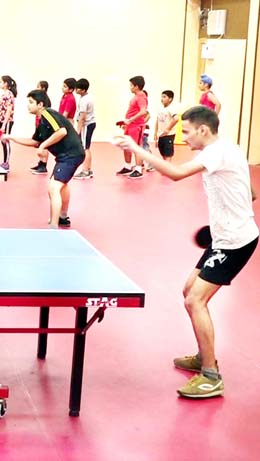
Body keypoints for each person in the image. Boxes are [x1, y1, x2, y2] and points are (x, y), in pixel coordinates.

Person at [112, 106, 257, 399]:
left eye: (187, 131)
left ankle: (211, 376)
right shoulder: (229, 148)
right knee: (188, 291)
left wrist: (136, 149)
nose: (184, 136)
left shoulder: (215, 153)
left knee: (195, 300)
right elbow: (252, 191)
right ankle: (204, 355)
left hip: (235, 241)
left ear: (204, 130)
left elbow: (176, 174)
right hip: (222, 237)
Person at [3, 89, 85, 228]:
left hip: (71, 155)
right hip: (66, 156)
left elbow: (61, 131)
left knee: (53, 188)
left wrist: (44, 146)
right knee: (61, 185)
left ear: (40, 104)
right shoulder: (41, 122)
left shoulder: (48, 114)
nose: (28, 105)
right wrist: (11, 138)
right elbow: (35, 142)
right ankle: (63, 217)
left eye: (30, 102)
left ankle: (53, 226)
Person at [116, 75, 148, 178]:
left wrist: (131, 119)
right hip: (130, 126)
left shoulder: (141, 96)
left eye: (131, 85)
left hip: (137, 126)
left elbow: (143, 111)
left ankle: (138, 169)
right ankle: (127, 167)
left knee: (136, 147)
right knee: (126, 146)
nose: (130, 87)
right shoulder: (135, 97)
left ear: (136, 86)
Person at [73, 78, 96, 179]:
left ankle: (85, 171)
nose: (76, 89)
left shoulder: (84, 100)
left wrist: (77, 131)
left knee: (85, 148)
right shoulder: (86, 98)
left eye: (78, 88)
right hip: (89, 124)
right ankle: (88, 170)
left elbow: (82, 118)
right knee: (86, 147)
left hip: (86, 125)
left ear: (83, 90)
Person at [29, 80, 53, 173]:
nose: (37, 88)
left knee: (44, 144)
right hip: (39, 124)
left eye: (38, 87)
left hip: (44, 125)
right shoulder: (39, 98)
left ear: (43, 88)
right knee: (39, 143)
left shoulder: (45, 100)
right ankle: (41, 163)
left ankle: (43, 165)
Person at [0, 76, 16, 169]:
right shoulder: (4, 94)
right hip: (2, 121)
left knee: (6, 141)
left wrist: (4, 124)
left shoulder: (9, 95)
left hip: (7, 122)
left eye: (1, 82)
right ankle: (4, 161)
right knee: (3, 141)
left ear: (6, 84)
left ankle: (6, 163)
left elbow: (8, 110)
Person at [155, 90, 179, 161]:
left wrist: (168, 129)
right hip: (161, 135)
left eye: (164, 97)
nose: (162, 99)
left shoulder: (172, 108)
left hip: (169, 135)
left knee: (168, 153)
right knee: (162, 152)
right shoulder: (161, 109)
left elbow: (176, 119)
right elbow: (157, 120)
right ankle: (166, 167)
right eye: (162, 97)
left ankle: (168, 169)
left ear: (170, 99)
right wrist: (155, 132)